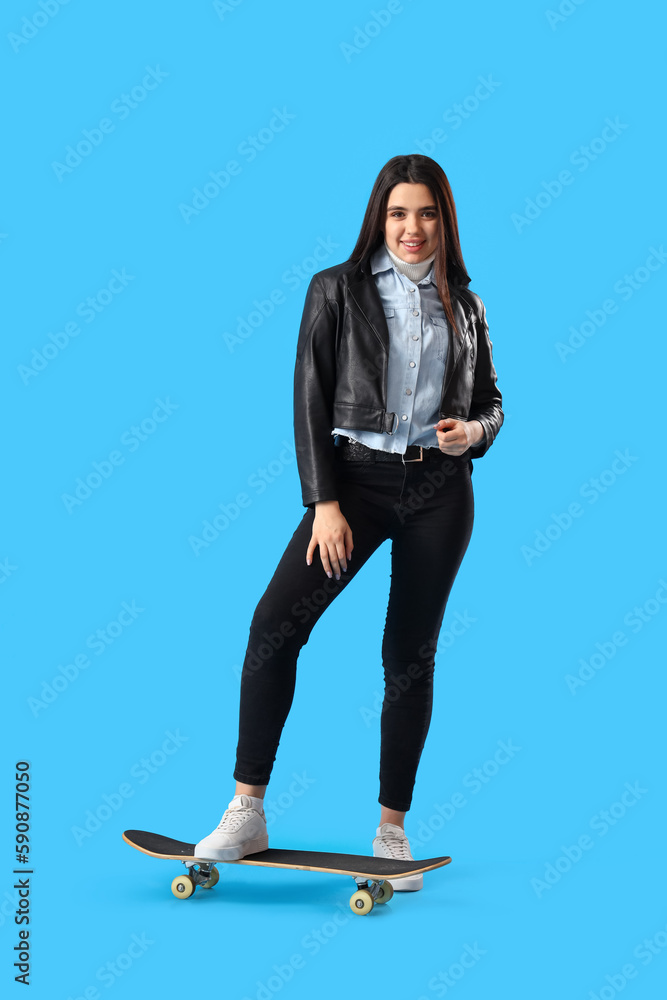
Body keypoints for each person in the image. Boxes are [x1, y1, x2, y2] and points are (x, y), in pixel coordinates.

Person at [195, 154, 503, 890]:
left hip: (439, 493)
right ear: (379, 217)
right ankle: (247, 810)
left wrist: (475, 435)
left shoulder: (466, 305)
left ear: (444, 221)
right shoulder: (334, 290)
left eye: (426, 213)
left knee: (409, 656)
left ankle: (391, 832)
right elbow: (309, 397)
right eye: (399, 213)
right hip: (353, 486)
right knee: (274, 625)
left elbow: (493, 401)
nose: (412, 228)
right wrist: (323, 502)